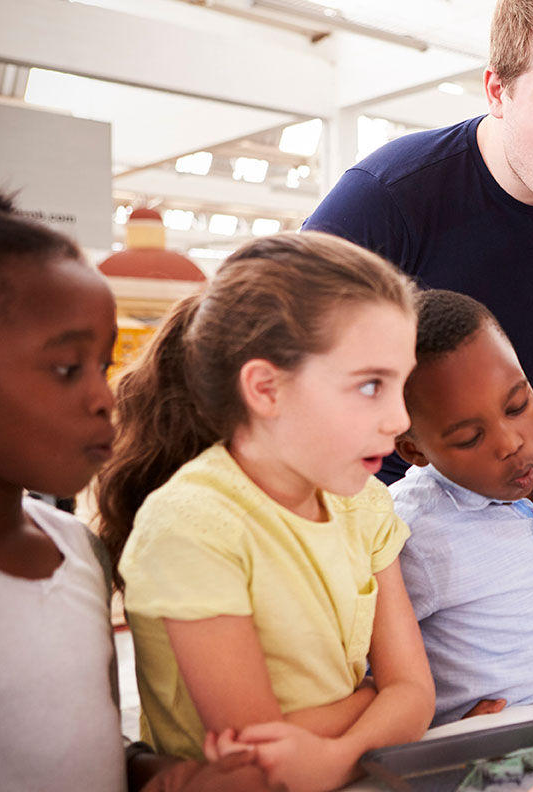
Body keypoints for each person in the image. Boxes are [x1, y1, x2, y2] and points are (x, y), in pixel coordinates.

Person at [96, 232, 434, 792]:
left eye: (402, 384)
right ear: (266, 388)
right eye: (371, 385)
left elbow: (418, 695)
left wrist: (339, 753)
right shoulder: (192, 523)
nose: (399, 418)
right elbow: (256, 757)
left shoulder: (365, 503)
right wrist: (376, 699)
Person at [0, 189, 272, 791]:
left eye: (103, 367)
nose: (105, 397)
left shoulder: (79, 551)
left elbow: (88, 741)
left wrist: (167, 777)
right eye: (66, 368)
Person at [303, 0, 533, 484]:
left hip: (528, 499)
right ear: (497, 92)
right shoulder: (383, 200)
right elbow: (294, 373)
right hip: (383, 498)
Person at [388, 290, 533, 725]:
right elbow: (368, 667)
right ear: (413, 450)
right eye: (468, 438)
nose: (511, 442)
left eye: (517, 406)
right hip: (486, 750)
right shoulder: (408, 533)